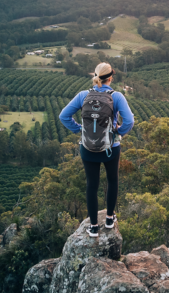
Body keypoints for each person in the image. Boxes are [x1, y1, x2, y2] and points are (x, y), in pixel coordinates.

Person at [59, 62, 134, 236]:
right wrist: (117, 132)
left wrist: (80, 130)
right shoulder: (116, 97)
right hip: (110, 147)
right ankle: (109, 219)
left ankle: (93, 227)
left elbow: (64, 116)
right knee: (112, 180)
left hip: (87, 147)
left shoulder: (83, 95)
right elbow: (129, 121)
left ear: (94, 76)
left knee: (91, 185)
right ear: (111, 77)